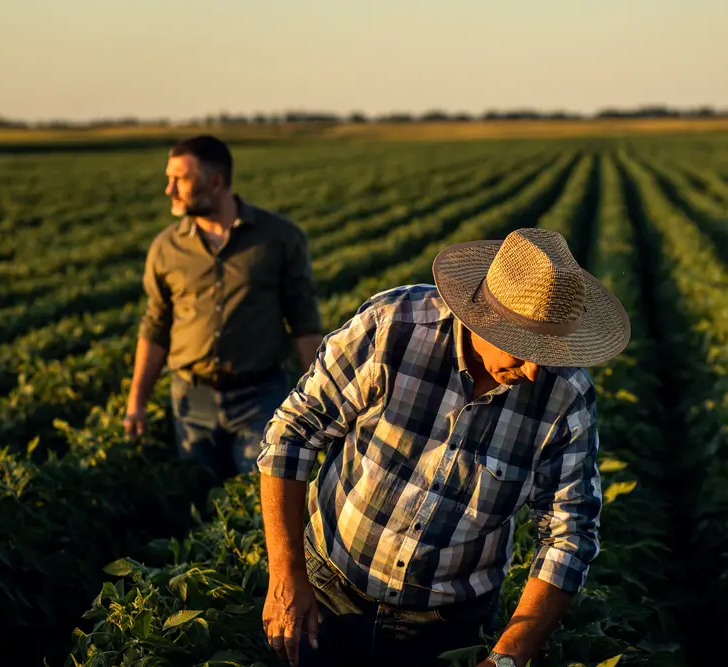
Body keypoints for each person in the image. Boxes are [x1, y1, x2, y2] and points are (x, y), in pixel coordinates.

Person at [257, 227, 631, 667]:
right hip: (331, 592)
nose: (533, 371)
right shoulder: (391, 329)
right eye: (522, 349)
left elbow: (569, 533)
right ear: (481, 318)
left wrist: (511, 654)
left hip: (449, 626)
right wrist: (286, 572)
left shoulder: (566, 396)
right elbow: (292, 433)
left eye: (548, 351)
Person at [124, 134, 324, 482]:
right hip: (191, 399)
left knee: (258, 496)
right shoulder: (166, 248)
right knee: (203, 500)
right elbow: (155, 326)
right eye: (169, 179)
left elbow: (303, 319)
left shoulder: (278, 238)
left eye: (180, 180)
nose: (169, 190)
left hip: (260, 396)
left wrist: (321, 404)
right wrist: (136, 403)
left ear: (215, 182)